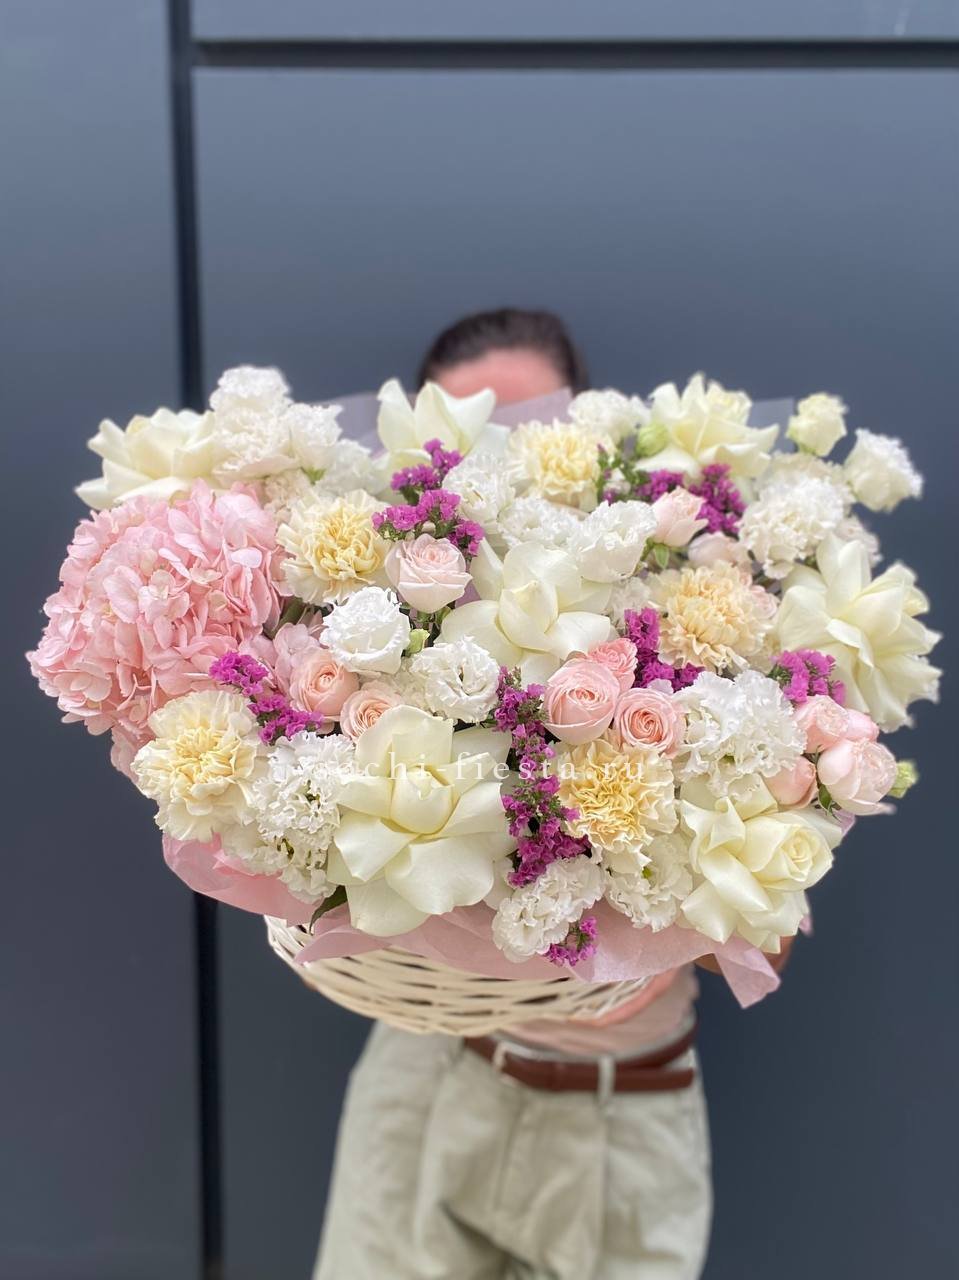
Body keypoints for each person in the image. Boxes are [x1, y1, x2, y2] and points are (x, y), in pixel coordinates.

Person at [314, 308, 785, 1280]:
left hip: (624, 1113)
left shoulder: (689, 605)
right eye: (473, 435)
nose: (504, 459)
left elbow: (766, 937)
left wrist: (659, 870)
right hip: (426, 1083)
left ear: (587, 432)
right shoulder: (379, 627)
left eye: (531, 427)